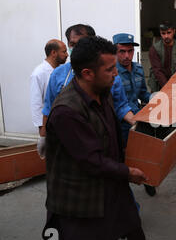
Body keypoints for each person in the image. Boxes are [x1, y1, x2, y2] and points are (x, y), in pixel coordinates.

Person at [42, 36, 158, 240]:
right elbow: (90, 160)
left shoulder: (102, 91)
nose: (116, 73)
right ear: (87, 73)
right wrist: (128, 172)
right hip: (78, 192)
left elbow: (114, 127)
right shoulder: (68, 111)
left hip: (110, 177)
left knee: (131, 221)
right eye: (110, 69)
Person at [40, 24, 136, 157]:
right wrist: (44, 136)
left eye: (81, 43)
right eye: (72, 44)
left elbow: (121, 106)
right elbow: (48, 108)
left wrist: (137, 123)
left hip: (100, 141)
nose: (76, 48)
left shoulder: (110, 76)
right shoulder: (58, 74)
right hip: (67, 143)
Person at [113, 32, 156, 197]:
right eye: (122, 51)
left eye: (130, 51)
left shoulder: (137, 68)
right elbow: (116, 104)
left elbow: (143, 94)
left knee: (146, 153)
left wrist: (154, 98)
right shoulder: (112, 73)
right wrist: (133, 121)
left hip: (138, 118)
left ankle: (148, 180)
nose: (126, 56)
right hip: (121, 123)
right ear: (115, 52)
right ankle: (123, 193)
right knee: (123, 158)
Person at [30, 39, 68, 157]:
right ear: (53, 53)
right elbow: (36, 104)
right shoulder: (39, 73)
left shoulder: (63, 71)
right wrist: (43, 132)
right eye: (64, 51)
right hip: (49, 124)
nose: (67, 54)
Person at [148, 21, 176, 92]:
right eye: (163, 33)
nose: (166, 36)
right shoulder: (154, 49)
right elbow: (157, 71)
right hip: (158, 84)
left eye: (169, 33)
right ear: (160, 33)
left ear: (174, 31)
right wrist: (168, 88)